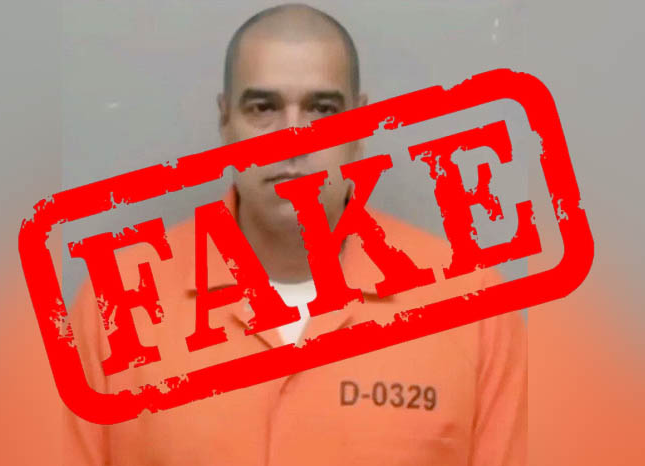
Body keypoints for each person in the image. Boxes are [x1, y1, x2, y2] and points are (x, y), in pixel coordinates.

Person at [64, 4, 526, 465]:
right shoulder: (114, 307)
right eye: (263, 108)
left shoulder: (471, 305)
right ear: (226, 120)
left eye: (322, 109)